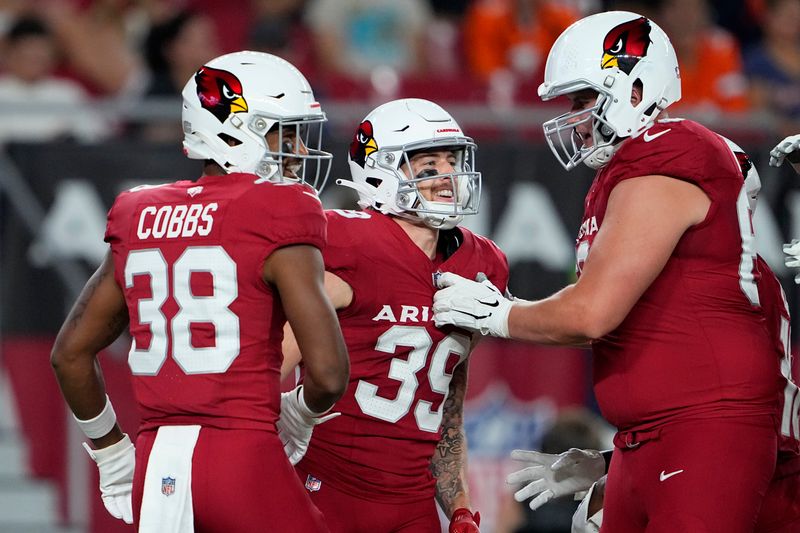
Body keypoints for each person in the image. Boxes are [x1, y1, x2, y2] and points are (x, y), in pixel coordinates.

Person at [433, 11, 784, 531]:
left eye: (582, 99)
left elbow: (591, 314)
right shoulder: (625, 174)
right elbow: (629, 320)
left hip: (702, 423)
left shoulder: (669, 157)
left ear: (636, 91)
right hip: (655, 432)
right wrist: (613, 460)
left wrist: (498, 314)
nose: (572, 117)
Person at [49, 51, 349, 531]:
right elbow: (330, 373)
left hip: (156, 464)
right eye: (283, 133)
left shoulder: (138, 211)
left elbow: (69, 354)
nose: (297, 148)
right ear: (234, 130)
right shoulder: (278, 210)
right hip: (242, 457)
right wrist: (301, 416)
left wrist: (111, 452)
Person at [508, 139, 800, 533]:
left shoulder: (732, 283)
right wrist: (617, 462)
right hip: (746, 459)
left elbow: (734, 410)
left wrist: (499, 315)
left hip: (766, 475)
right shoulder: (706, 280)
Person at [281, 98, 507, 532]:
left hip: (412, 504)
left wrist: (459, 506)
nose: (448, 177)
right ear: (380, 172)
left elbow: (446, 408)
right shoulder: (349, 245)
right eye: (427, 163)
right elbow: (265, 371)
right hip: (325, 491)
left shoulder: (482, 264)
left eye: (452, 160)